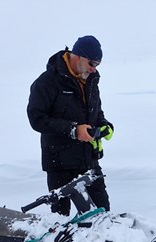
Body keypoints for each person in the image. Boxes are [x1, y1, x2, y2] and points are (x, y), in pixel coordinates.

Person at [27, 35, 113, 215]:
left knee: (102, 214)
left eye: (97, 65)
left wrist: (104, 125)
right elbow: (36, 119)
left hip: (88, 160)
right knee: (61, 220)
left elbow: (96, 110)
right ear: (78, 56)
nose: (94, 69)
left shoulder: (91, 79)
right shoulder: (47, 81)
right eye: (92, 63)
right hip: (59, 163)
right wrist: (73, 130)